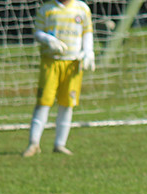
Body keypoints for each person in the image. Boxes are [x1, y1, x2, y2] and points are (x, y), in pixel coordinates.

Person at [22, 0, 95, 157]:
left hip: (73, 64)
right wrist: (48, 39)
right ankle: (34, 143)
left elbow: (87, 32)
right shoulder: (47, 9)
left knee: (67, 104)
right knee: (43, 102)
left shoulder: (82, 9)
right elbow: (37, 32)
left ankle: (60, 144)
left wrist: (88, 51)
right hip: (51, 62)